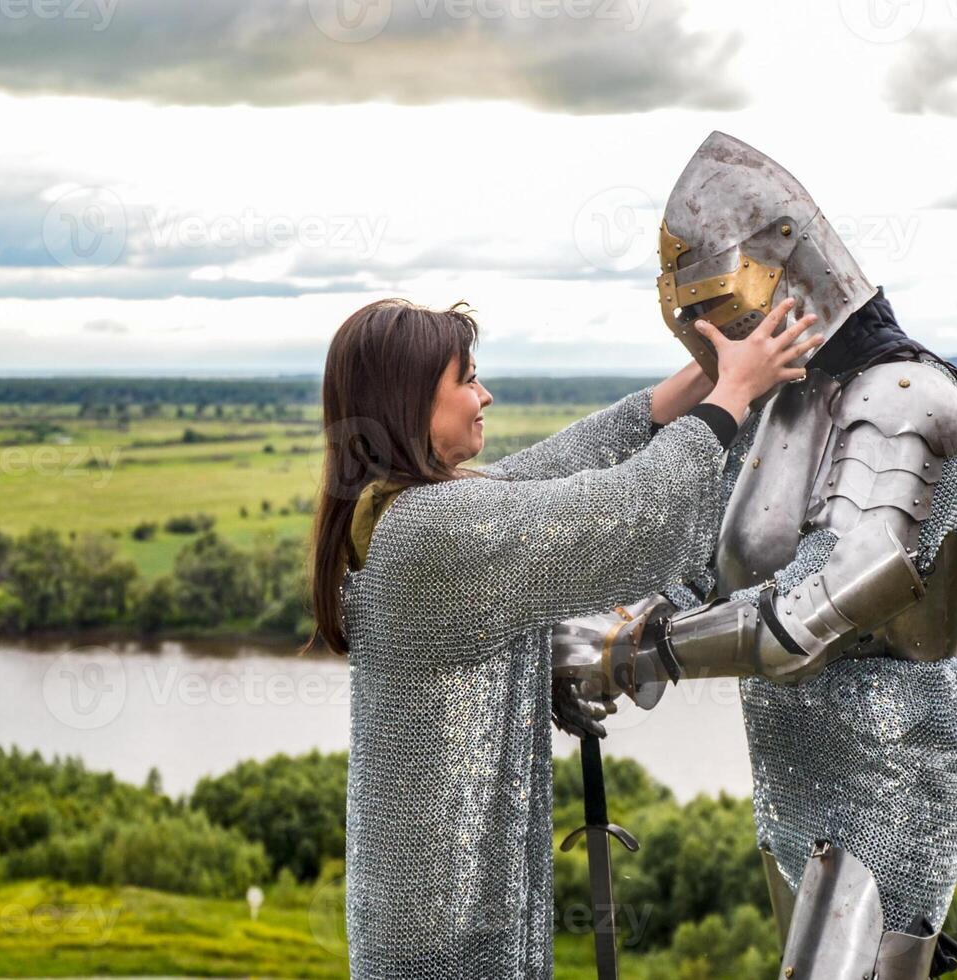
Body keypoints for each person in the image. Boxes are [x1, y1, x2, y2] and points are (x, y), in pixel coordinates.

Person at [551, 132, 957, 979]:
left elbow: (805, 615)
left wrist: (627, 655)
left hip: (892, 766)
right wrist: (590, 634)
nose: (708, 332)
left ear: (792, 271)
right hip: (790, 764)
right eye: (691, 313)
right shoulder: (773, 411)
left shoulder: (908, 402)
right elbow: (693, 569)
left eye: (721, 303)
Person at [301, 295, 822, 978]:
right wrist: (733, 395)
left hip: (435, 910)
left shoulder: (396, 509)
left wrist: (708, 366)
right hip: (444, 934)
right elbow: (627, 512)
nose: (483, 395)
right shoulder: (429, 531)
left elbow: (557, 464)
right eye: (465, 380)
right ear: (408, 401)